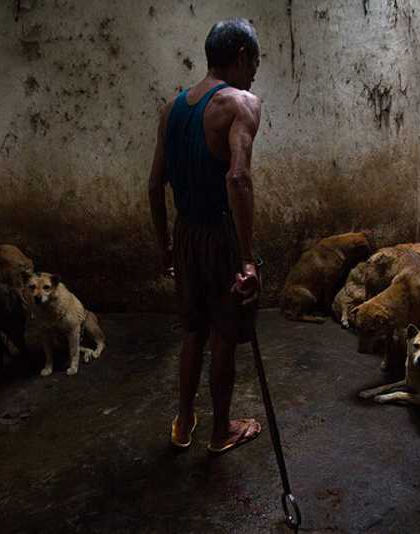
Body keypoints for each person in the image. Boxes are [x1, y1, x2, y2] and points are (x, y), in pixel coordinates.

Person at [148, 18, 263, 453]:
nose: (255, 72)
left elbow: (154, 185)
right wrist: (247, 259)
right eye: (255, 61)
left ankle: (183, 423)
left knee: (192, 331)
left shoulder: (172, 109)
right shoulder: (240, 103)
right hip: (219, 235)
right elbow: (238, 179)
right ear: (240, 57)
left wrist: (165, 247)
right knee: (223, 336)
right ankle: (220, 432)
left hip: (186, 233)